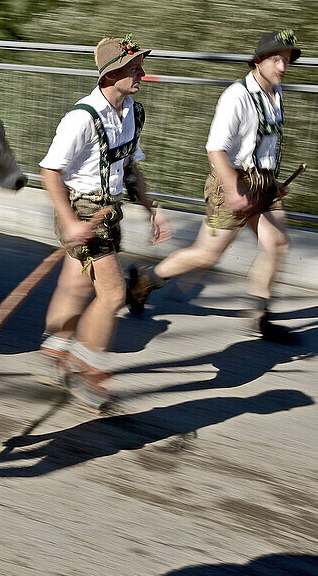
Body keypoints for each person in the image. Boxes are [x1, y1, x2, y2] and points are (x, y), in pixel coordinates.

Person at [126, 30, 301, 344]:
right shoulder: (237, 96)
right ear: (259, 60)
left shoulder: (275, 92)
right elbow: (215, 149)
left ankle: (260, 317)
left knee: (277, 243)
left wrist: (273, 181)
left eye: (286, 61)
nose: (282, 67)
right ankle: (145, 279)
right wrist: (234, 190)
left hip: (262, 186)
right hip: (231, 185)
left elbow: (263, 145)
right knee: (206, 255)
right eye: (276, 59)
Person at [36, 36, 171, 411]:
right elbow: (49, 172)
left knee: (75, 289)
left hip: (108, 213)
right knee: (112, 294)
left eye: (140, 66)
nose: (142, 73)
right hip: (80, 211)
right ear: (111, 74)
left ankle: (54, 352)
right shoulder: (81, 119)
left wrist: (152, 208)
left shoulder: (132, 112)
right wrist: (70, 222)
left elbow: (130, 166)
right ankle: (84, 367)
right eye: (134, 68)